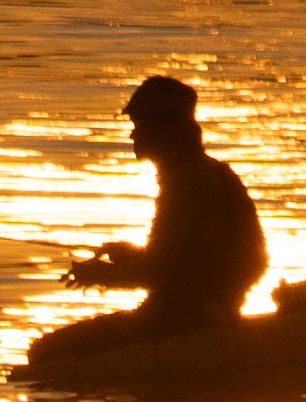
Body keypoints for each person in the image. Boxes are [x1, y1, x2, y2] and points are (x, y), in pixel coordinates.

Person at [62, 76, 271, 322]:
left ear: (163, 127)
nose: (132, 135)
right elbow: (185, 257)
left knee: (48, 351)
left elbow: (156, 274)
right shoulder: (204, 171)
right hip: (208, 310)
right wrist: (131, 255)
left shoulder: (187, 181)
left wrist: (98, 274)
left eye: (139, 124)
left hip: (189, 318)